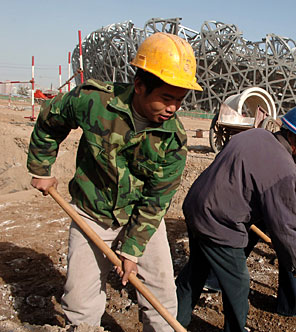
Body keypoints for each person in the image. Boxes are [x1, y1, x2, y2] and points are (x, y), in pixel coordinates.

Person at [26, 32, 202, 331]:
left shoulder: (174, 140)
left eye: (180, 100)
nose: (173, 108)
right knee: (80, 301)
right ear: (139, 86)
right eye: (166, 98)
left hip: (140, 216)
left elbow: (156, 199)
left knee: (162, 299)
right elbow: (51, 118)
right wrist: (41, 167)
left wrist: (132, 250)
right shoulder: (95, 101)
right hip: (91, 213)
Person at [175, 105, 296, 332]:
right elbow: (285, 227)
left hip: (196, 206)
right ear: (295, 139)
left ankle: (173, 320)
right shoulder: (284, 169)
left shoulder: (256, 134)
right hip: (218, 222)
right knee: (238, 284)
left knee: (196, 270)